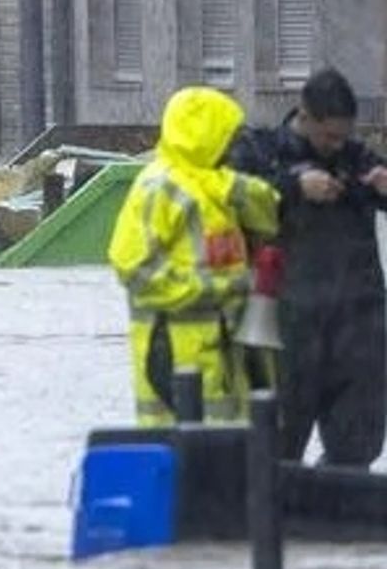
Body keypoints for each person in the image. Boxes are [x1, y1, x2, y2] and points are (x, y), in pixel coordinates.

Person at [107, 84, 299, 428]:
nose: (232, 145)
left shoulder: (218, 184)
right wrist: (216, 289)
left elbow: (270, 211)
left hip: (224, 351)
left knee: (231, 449)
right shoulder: (158, 188)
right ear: (204, 136)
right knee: (188, 455)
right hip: (174, 354)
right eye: (226, 136)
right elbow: (134, 268)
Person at [226, 66, 387, 464]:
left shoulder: (355, 158)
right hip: (285, 324)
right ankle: (278, 515)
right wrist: (292, 187)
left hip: (358, 325)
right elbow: (231, 196)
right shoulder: (260, 150)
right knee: (279, 441)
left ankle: (339, 511)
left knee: (358, 441)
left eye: (344, 135)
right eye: (329, 135)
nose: (337, 144)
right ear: (305, 115)